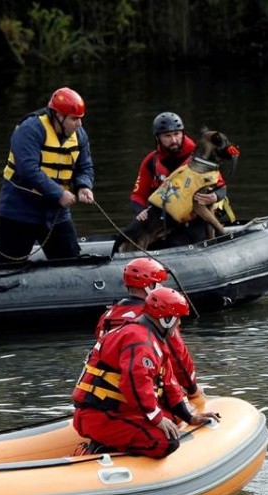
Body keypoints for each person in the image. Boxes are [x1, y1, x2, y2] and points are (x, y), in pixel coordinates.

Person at [73, 287, 219, 458]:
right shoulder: (139, 340)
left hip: (118, 410)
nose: (179, 324)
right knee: (165, 442)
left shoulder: (152, 339)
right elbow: (135, 383)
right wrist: (156, 418)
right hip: (101, 416)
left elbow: (169, 384)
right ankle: (98, 450)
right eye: (177, 318)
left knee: (172, 419)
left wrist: (189, 418)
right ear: (165, 319)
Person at [0, 87, 95, 264]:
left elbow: (84, 167)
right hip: (20, 210)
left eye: (80, 119)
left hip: (56, 213)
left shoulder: (79, 135)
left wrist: (83, 186)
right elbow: (28, 170)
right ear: (58, 115)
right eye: (74, 119)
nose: (79, 124)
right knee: (8, 265)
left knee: (70, 262)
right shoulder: (30, 129)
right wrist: (59, 193)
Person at [95, 257, 206, 409]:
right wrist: (192, 389)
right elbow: (177, 356)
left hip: (106, 393)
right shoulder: (154, 316)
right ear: (150, 286)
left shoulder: (108, 315)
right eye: (159, 283)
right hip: (143, 392)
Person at [129, 112, 231, 246]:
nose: (174, 140)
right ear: (158, 138)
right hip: (167, 219)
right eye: (167, 136)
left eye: (177, 134)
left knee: (177, 242)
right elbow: (137, 195)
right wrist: (141, 211)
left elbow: (221, 185)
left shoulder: (201, 157)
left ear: (183, 134)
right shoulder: (150, 162)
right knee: (141, 236)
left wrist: (215, 196)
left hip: (199, 217)